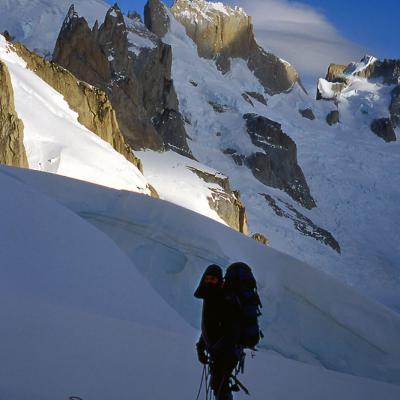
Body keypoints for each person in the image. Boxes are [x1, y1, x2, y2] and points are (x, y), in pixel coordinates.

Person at [194, 264, 241, 400]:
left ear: (219, 280)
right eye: (207, 278)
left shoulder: (225, 300)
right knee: (219, 385)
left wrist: (220, 352)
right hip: (219, 353)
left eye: (213, 279)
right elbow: (209, 328)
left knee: (219, 385)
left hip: (226, 353)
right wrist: (201, 347)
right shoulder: (210, 298)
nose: (209, 281)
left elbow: (232, 330)